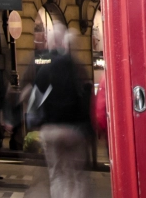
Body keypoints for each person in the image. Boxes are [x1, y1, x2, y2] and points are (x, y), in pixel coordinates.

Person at [32, 25, 92, 198]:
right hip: (74, 130)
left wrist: (35, 123)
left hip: (51, 130)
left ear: (51, 44)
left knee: (57, 176)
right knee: (77, 177)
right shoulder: (77, 67)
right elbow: (86, 97)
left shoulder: (44, 69)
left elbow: (35, 101)